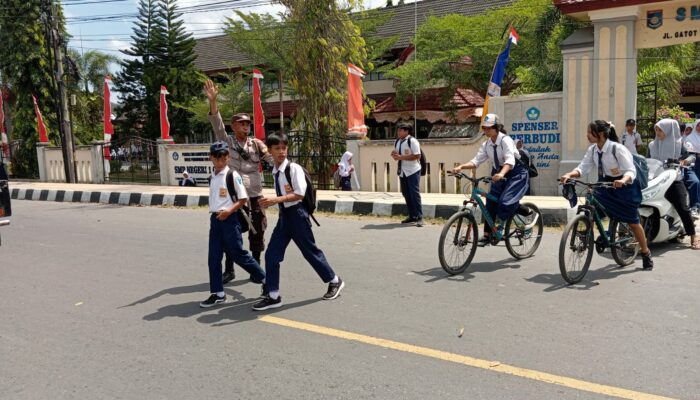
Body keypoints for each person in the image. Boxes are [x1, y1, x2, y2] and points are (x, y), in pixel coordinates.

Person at [253, 133, 345, 310]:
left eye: (284, 148)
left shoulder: (293, 168)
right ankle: (273, 295)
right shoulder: (275, 170)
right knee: (272, 254)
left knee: (310, 251)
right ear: (270, 151)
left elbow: (299, 194)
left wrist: (275, 200)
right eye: (277, 148)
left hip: (297, 215)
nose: (281, 152)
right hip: (285, 217)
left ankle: (334, 280)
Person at [204, 79, 274, 284]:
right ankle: (229, 269)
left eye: (247, 123)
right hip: (233, 199)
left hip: (254, 195)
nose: (246, 126)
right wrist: (213, 102)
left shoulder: (257, 144)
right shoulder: (227, 142)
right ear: (233, 126)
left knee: (258, 231)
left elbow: (271, 160)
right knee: (230, 235)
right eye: (242, 123)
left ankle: (256, 267)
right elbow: (216, 124)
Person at [560, 120, 654, 269]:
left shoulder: (618, 149)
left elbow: (630, 171)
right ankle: (587, 238)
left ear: (601, 134)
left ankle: (645, 252)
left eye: (590, 132)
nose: (587, 135)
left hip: (625, 186)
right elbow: (583, 168)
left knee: (633, 223)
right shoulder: (592, 150)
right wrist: (570, 174)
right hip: (606, 184)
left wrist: (623, 180)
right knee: (589, 205)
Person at [200, 141, 267, 308]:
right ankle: (218, 293)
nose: (220, 160)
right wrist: (218, 214)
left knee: (239, 254)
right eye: (217, 157)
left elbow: (243, 199)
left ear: (228, 157)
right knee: (213, 258)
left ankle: (266, 279)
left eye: (223, 157)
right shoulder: (213, 177)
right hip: (215, 221)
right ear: (211, 158)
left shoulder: (232, 175)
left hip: (230, 220)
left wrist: (228, 212)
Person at [453, 114, 533, 244]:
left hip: (516, 172)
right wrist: (462, 166)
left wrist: (502, 174)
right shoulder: (487, 144)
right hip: (498, 172)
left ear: (496, 128)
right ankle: (487, 235)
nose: (485, 131)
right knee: (490, 201)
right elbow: (476, 161)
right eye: (484, 128)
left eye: (488, 128)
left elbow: (510, 160)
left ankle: (527, 213)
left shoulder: (505, 140)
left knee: (505, 201)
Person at [649, 119, 699, 249]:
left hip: (673, 179)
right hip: (655, 179)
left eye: (660, 129)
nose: (657, 132)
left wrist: (685, 161)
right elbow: (647, 160)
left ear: (669, 130)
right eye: (656, 129)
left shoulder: (679, 144)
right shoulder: (651, 145)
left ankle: (693, 236)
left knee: (682, 207)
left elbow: (691, 156)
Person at [391, 122, 423, 227]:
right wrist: (394, 155)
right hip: (403, 171)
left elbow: (417, 155)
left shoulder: (412, 141)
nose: (398, 132)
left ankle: (419, 217)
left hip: (413, 170)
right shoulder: (397, 141)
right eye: (398, 130)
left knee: (414, 193)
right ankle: (412, 216)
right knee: (406, 193)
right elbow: (396, 153)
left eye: (400, 130)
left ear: (406, 131)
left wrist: (401, 157)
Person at [683, 119, 700, 219]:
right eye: (698, 125)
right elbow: (690, 152)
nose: (699, 127)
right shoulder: (689, 137)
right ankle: (695, 205)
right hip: (694, 159)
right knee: (696, 181)